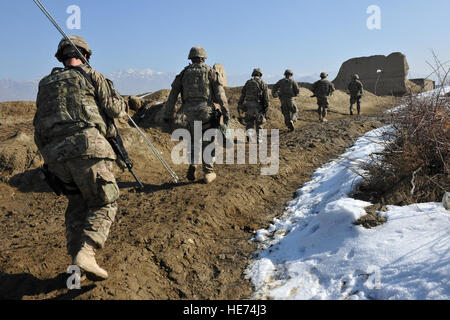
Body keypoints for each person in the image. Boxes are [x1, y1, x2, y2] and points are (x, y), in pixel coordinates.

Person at [33, 35, 127, 281]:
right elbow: (115, 110)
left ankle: (77, 267)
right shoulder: (92, 75)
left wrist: (50, 158)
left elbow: (38, 126)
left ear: (61, 57)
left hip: (55, 156)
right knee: (104, 201)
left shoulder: (45, 84)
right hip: (87, 149)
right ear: (85, 55)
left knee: (77, 204)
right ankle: (87, 252)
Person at [164, 46, 230, 184]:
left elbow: (172, 96)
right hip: (206, 112)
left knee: (193, 140)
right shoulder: (211, 72)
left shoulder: (183, 73)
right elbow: (220, 95)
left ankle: (193, 163)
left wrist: (168, 115)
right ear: (203, 58)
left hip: (188, 113)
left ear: (191, 58)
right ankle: (208, 172)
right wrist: (226, 113)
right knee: (208, 141)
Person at [237, 68, 269, 142]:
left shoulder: (248, 83)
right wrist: (266, 108)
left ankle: (249, 135)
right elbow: (266, 98)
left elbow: (242, 95)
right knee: (259, 122)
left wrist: (240, 104)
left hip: (248, 105)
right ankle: (259, 138)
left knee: (249, 121)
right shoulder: (263, 83)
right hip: (258, 106)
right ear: (260, 75)